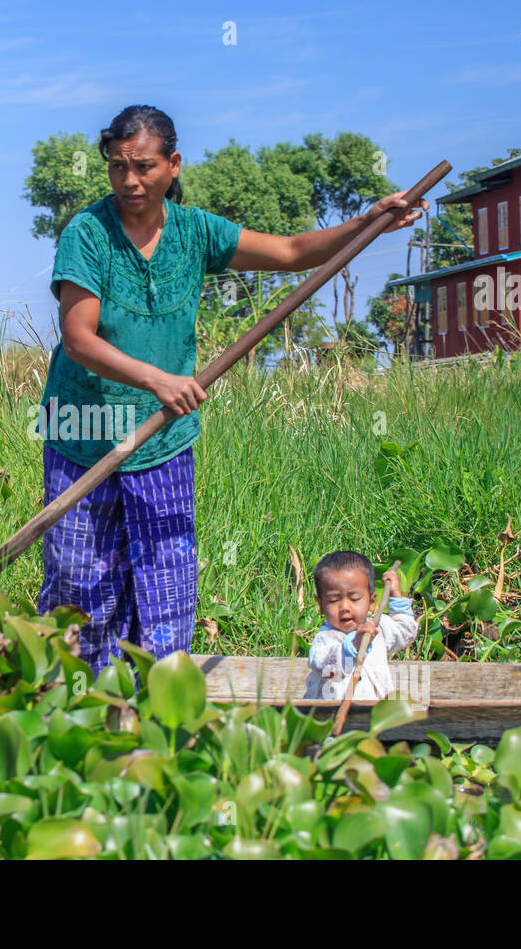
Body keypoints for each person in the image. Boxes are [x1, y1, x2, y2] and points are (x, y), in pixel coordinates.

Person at [36, 104, 426, 680]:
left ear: (172, 165)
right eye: (117, 167)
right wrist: (156, 378)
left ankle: (157, 709)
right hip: (84, 434)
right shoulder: (87, 234)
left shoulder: (195, 231)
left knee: (166, 580)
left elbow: (294, 252)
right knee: (81, 581)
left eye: (143, 166)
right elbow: (78, 338)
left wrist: (368, 223)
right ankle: (76, 705)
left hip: (162, 437)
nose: (130, 180)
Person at [303, 551, 418, 700]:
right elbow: (325, 666)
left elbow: (405, 631)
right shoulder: (326, 638)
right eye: (333, 601)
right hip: (329, 716)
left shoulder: (377, 628)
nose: (344, 607)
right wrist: (354, 645)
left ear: (371, 602)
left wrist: (396, 594)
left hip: (375, 713)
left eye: (355, 598)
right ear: (321, 606)